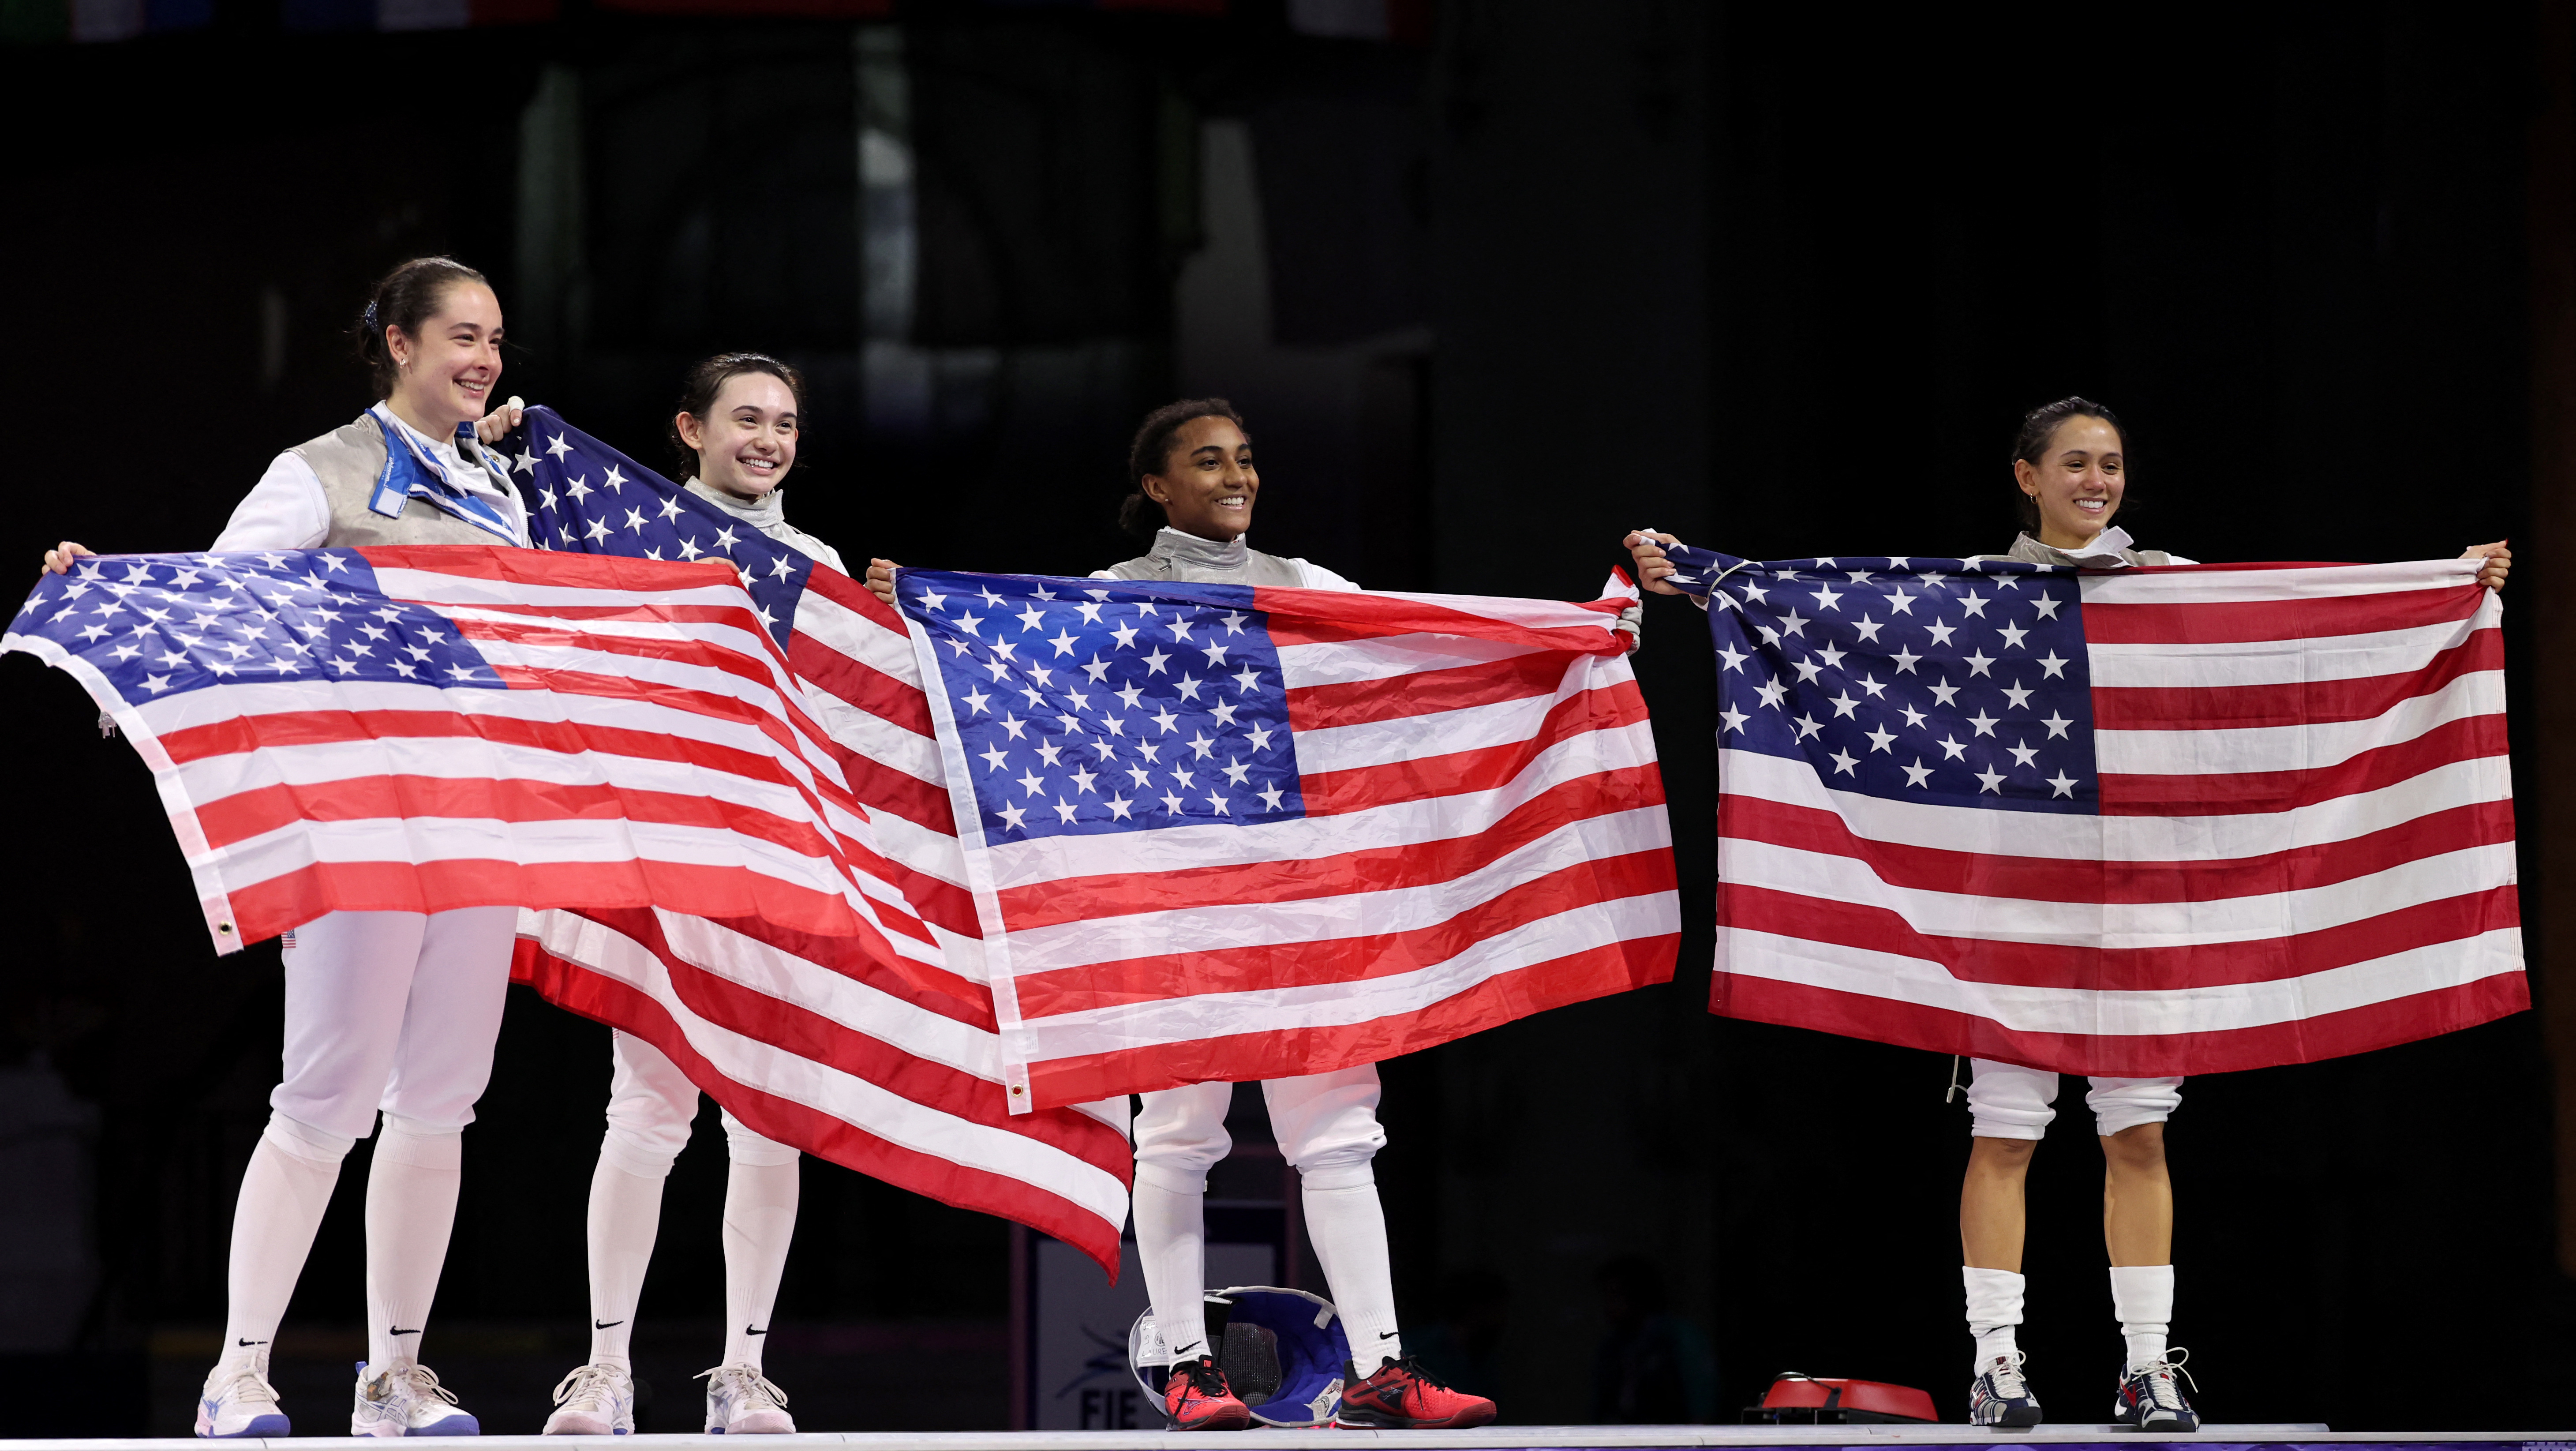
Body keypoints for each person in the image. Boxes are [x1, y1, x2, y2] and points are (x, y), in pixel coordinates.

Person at [1625, 394, 2511, 1435]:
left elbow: (2312, 628)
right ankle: (1996, 1362)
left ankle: (2147, 1368)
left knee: (2136, 1135)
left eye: (2113, 464)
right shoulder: (1972, 597)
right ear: (2027, 476)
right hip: (2012, 915)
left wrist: (2445, 584)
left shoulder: (2174, 586)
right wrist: (1702, 577)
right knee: (2005, 1137)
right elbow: (1822, 616)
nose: (2098, 480)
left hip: (2142, 912)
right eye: (2077, 463)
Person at [865, 398, 1498, 1432]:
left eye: (1245, 458)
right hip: (1175, 902)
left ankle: (1381, 1366)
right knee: (1177, 1134)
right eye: (1208, 462)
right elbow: (1007, 667)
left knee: (1337, 1134)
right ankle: (1190, 1365)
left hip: (1298, 901)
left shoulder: (1310, 588)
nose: (1236, 476)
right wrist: (930, 602)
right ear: (1157, 487)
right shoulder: (1107, 599)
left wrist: (1581, 632)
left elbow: (1432, 646)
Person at [44, 257, 532, 1439]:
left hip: (474, 826)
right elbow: (213, 603)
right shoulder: (317, 473)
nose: (483, 358)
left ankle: (394, 1382)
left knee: (439, 1108)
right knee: (324, 1101)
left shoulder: (502, 496)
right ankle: (238, 1376)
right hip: (359, 828)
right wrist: (112, 599)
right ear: (399, 344)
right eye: (461, 335)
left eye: (497, 339)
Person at [511, 355, 837, 1438]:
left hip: (778, 866)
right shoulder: (630, 538)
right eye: (747, 418)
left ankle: (744, 1371)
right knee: (648, 1113)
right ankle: (607, 1370)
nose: (768, 439)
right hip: (659, 856)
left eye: (784, 423)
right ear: (689, 429)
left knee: (768, 1123)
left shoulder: (818, 562)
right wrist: (502, 440)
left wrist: (883, 619)